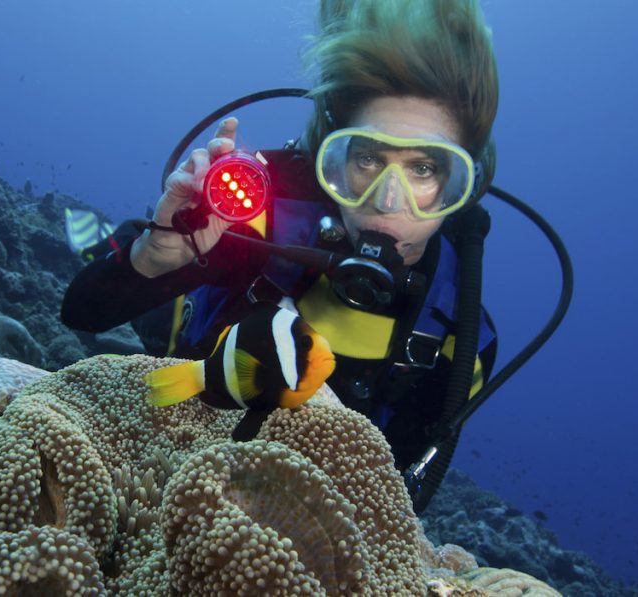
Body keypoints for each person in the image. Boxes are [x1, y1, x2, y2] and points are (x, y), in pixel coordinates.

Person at [61, 0, 499, 512]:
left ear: (464, 185)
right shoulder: (265, 227)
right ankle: (105, 241)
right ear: (329, 160)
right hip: (186, 364)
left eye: (424, 169)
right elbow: (81, 313)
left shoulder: (457, 334)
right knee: (152, 300)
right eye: (366, 159)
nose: (387, 199)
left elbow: (397, 500)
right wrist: (155, 258)